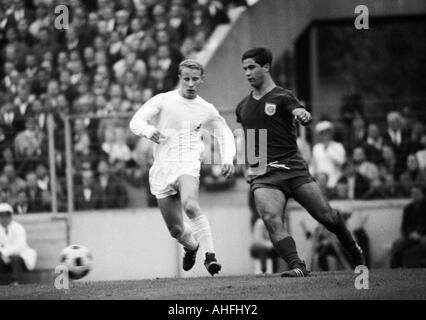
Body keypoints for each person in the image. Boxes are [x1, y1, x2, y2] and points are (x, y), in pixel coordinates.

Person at [235, 47, 365, 277]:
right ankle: (297, 265)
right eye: (244, 68)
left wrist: (303, 115)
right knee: (270, 219)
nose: (247, 72)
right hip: (264, 174)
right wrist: (249, 165)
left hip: (293, 169)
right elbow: (251, 138)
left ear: (266, 67)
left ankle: (352, 247)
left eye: (252, 67)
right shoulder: (243, 107)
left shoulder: (283, 96)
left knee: (326, 216)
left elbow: (300, 112)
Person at [129, 59, 236, 276]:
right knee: (176, 230)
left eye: (195, 79)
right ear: (180, 77)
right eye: (186, 78)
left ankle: (211, 257)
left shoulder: (206, 109)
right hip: (162, 167)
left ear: (201, 80)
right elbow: (136, 121)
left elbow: (223, 132)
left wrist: (228, 158)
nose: (190, 83)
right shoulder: (164, 100)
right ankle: (192, 246)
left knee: (190, 205)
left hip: (188, 164)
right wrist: (149, 131)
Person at [0, 203, 37, 285]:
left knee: (15, 258)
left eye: (6, 216)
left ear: (10, 216)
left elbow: (20, 247)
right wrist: (2, 255)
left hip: (19, 260)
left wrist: (4, 253)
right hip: (3, 260)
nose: (4, 219)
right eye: (1, 216)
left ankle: (15, 282)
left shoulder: (18, 228)